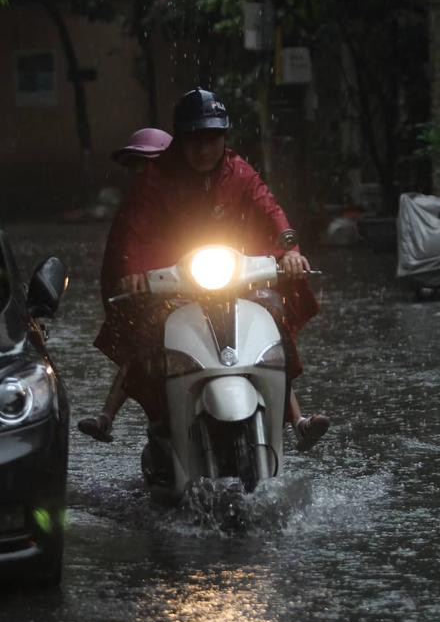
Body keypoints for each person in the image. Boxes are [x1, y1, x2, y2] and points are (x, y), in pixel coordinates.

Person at [77, 88, 329, 451]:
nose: (204, 148)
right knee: (147, 334)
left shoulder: (239, 171)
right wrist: (132, 271)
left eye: (212, 138)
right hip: (172, 280)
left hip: (232, 273)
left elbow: (269, 210)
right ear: (180, 141)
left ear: (224, 138)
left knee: (272, 320)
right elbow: (132, 229)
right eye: (195, 139)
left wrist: (290, 250)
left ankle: (296, 420)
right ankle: (142, 415)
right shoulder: (156, 178)